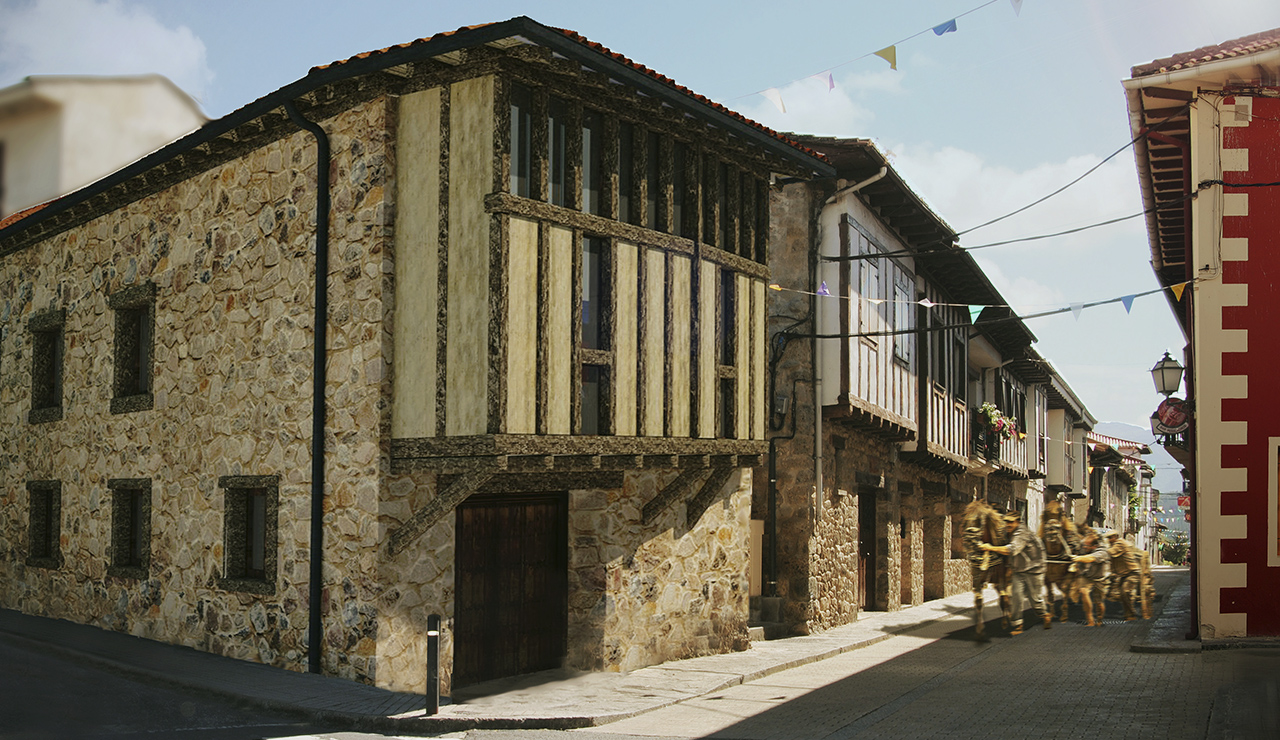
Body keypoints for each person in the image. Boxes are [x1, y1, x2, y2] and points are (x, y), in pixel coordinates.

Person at [979, 512, 1049, 635]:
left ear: (1018, 521)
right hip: (1019, 569)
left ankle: (1044, 614)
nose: (1008, 524)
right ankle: (1018, 625)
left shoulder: (1022, 533)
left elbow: (1012, 549)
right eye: (1006, 521)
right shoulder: (1008, 532)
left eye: (1011, 522)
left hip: (1034, 569)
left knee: (1035, 599)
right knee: (1015, 596)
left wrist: (990, 548)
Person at [1069, 529, 1110, 626]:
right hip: (1086, 575)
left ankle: (1099, 619)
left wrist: (1077, 558)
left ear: (1094, 546)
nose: (1084, 547)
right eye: (1084, 545)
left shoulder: (1103, 552)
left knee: (1099, 601)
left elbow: (1090, 558)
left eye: (1086, 546)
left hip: (1100, 577)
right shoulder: (1084, 547)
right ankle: (1090, 619)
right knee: (1083, 592)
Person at [1105, 530, 1141, 620]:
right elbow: (1112, 562)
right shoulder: (1112, 546)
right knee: (1121, 595)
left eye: (1110, 538)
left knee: (1125, 592)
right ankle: (1128, 614)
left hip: (1132, 573)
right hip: (1123, 575)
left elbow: (1111, 553)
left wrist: (1097, 551)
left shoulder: (1120, 543)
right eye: (1107, 538)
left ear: (1115, 537)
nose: (1108, 540)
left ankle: (1131, 613)